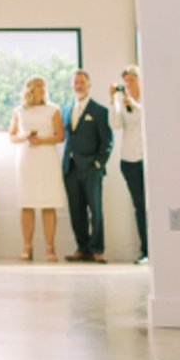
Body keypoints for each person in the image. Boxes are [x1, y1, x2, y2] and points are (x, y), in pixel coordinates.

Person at [9, 75, 65, 262]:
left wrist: (41, 140)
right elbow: (12, 136)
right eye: (39, 86)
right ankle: (27, 247)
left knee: (48, 203)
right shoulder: (19, 111)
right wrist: (25, 136)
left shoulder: (54, 109)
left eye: (44, 86)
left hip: (47, 158)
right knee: (27, 203)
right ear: (30, 90)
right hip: (27, 159)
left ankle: (50, 247)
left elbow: (60, 136)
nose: (43, 89)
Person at [62, 69, 113, 263]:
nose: (78, 85)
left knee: (95, 210)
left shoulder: (99, 111)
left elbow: (107, 141)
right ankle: (82, 248)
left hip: (91, 168)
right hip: (71, 167)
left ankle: (97, 249)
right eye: (75, 82)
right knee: (77, 211)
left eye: (82, 82)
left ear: (89, 85)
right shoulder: (66, 109)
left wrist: (99, 163)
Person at [109, 65, 147, 263]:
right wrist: (114, 101)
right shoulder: (123, 103)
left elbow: (146, 120)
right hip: (129, 160)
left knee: (152, 205)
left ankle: (161, 247)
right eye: (126, 81)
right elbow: (115, 124)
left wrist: (134, 103)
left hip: (147, 160)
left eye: (132, 80)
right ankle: (145, 250)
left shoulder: (147, 101)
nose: (128, 84)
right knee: (139, 206)